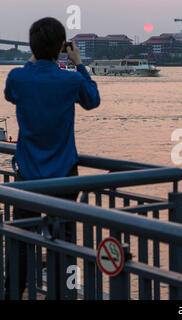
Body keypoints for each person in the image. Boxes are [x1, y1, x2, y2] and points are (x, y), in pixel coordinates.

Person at [3, 17, 100, 299]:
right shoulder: (70, 78)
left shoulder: (18, 76)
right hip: (64, 175)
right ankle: (63, 293)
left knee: (21, 240)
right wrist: (78, 63)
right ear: (61, 47)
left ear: (32, 45)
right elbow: (92, 101)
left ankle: (13, 293)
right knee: (65, 241)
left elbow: (12, 96)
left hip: (28, 177)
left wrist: (34, 62)